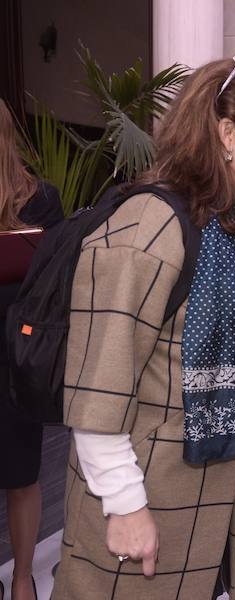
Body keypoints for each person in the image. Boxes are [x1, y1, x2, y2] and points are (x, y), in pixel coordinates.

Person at [53, 57, 235, 599]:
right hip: (142, 506)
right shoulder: (150, 225)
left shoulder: (230, 228)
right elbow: (98, 388)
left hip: (197, 510)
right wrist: (126, 507)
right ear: (227, 135)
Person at [0, 99, 63, 600]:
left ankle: (23, 578)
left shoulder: (41, 199)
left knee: (21, 474)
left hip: (14, 358)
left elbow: (55, 279)